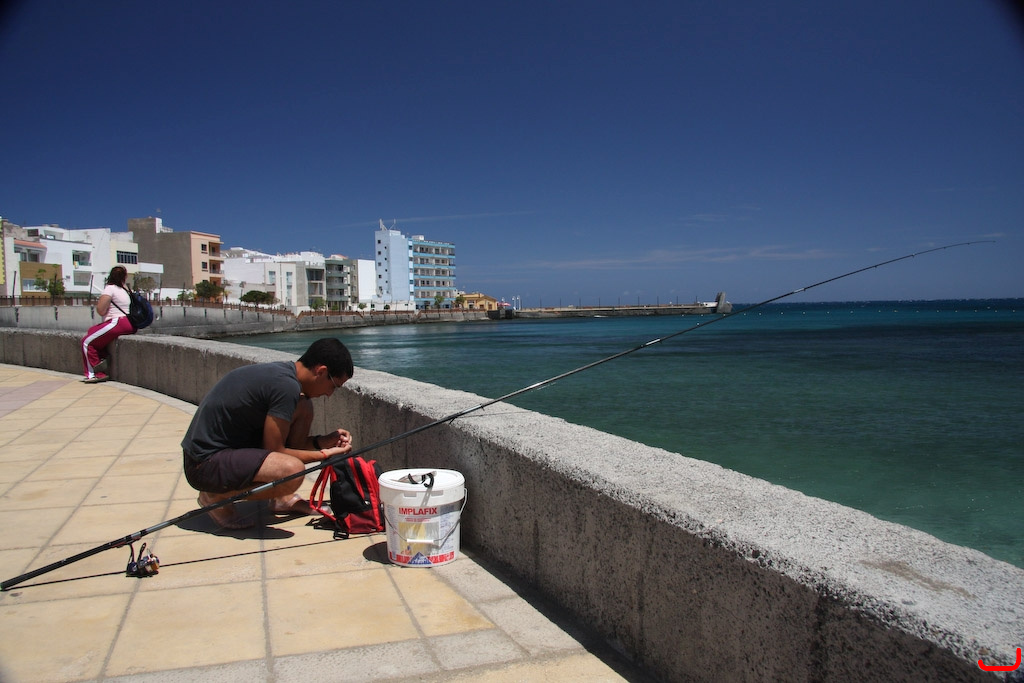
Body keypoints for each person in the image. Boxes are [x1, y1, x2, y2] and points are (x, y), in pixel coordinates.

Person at [181, 338, 355, 529]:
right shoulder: (286, 387)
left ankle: (282, 499)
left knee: (304, 406)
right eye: (334, 386)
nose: (330, 394)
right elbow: (276, 451)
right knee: (292, 472)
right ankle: (214, 496)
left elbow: (286, 447)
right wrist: (323, 455)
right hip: (203, 465)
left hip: (223, 454)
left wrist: (323, 441)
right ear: (321, 371)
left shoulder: (286, 377)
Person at [80, 265, 136, 383]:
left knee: (86, 342)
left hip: (117, 322)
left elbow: (101, 310)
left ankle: (94, 374)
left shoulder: (110, 288)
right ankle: (102, 358)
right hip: (130, 323)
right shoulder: (126, 290)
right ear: (124, 277)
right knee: (92, 331)